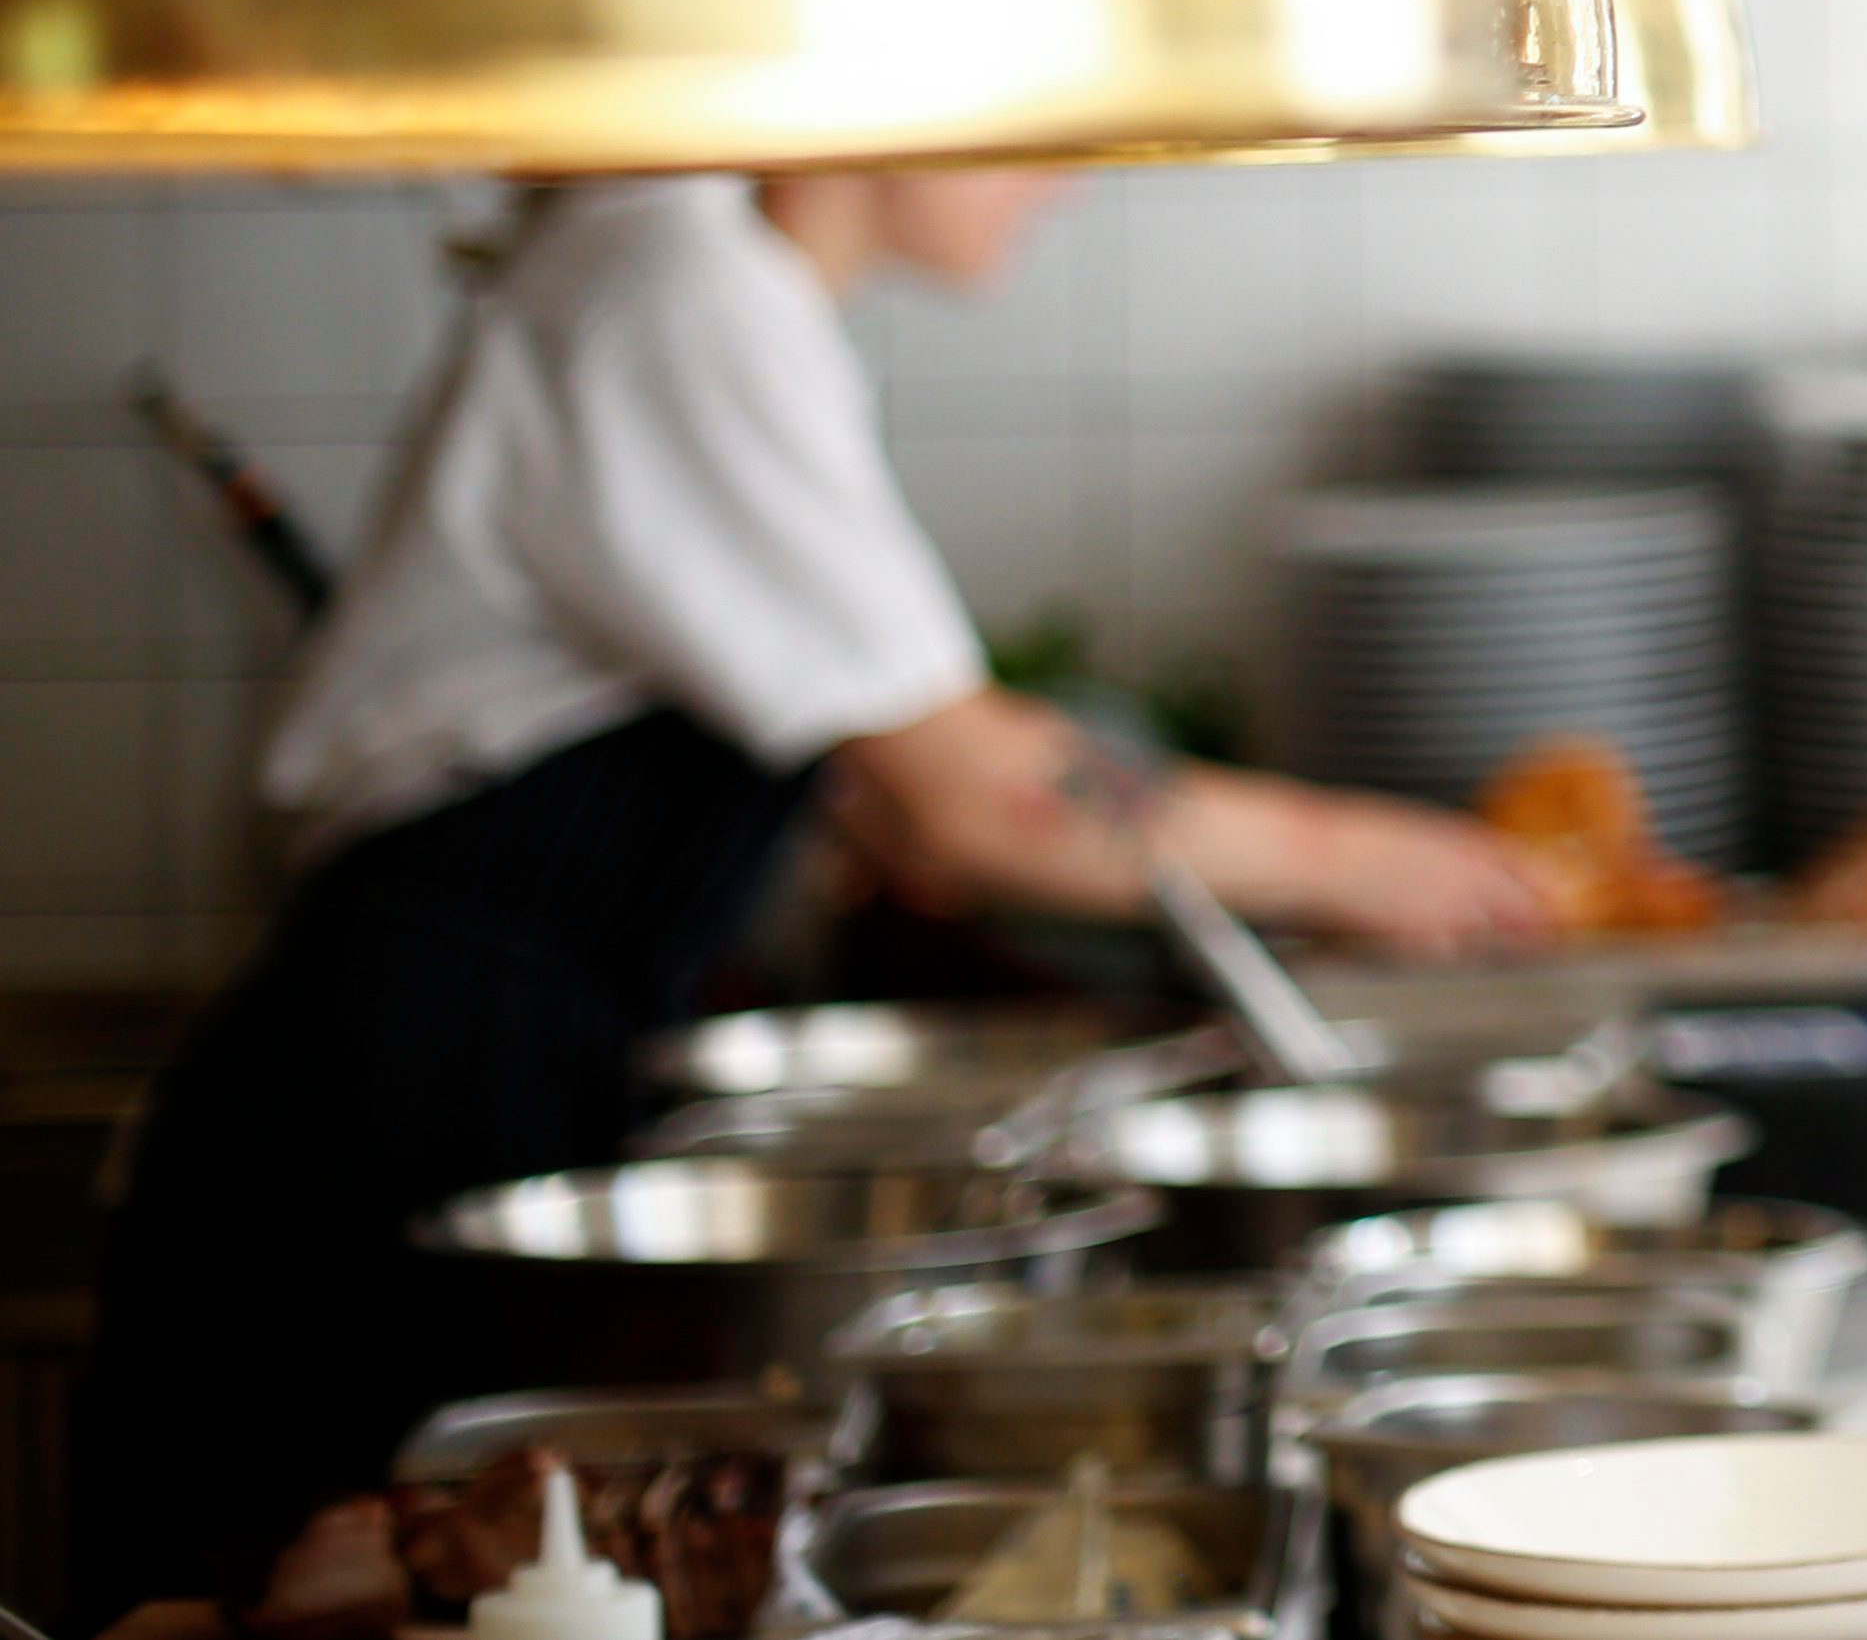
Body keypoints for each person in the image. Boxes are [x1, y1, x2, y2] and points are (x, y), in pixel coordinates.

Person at [72, 169, 1558, 1624]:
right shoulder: (678, 289)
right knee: (292, 1590)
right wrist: (1358, 856)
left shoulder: (706, 282)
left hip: (476, 1064)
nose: (1069, 172)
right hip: (397, 1102)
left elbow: (900, 798)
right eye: (1036, 109)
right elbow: (971, 794)